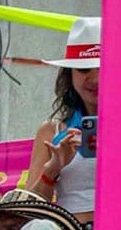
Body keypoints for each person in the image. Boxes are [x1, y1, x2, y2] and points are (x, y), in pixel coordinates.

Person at [26, 16, 100, 218]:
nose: (95, 79)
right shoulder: (52, 132)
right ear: (69, 74)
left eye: (104, 68)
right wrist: (53, 169)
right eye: (84, 69)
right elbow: (27, 212)